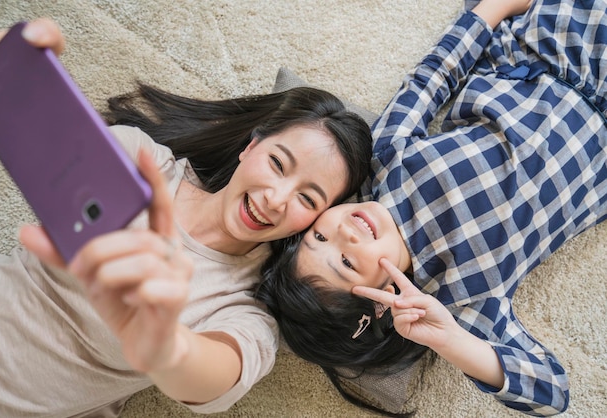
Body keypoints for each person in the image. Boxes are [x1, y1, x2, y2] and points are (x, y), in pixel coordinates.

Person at [0, 19, 373, 417]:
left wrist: (165, 344)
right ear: (250, 147)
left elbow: (215, 372)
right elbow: (31, 140)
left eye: (307, 199)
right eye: (277, 163)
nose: (276, 199)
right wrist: (2, 93)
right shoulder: (139, 160)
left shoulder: (244, 309)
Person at [256, 0, 606, 415]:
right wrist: (450, 341)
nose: (344, 232)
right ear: (382, 301)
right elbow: (552, 392)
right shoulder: (463, 297)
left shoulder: (383, 164)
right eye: (347, 262)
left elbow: (428, 82)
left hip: (550, 53)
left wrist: (492, 11)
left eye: (318, 235)